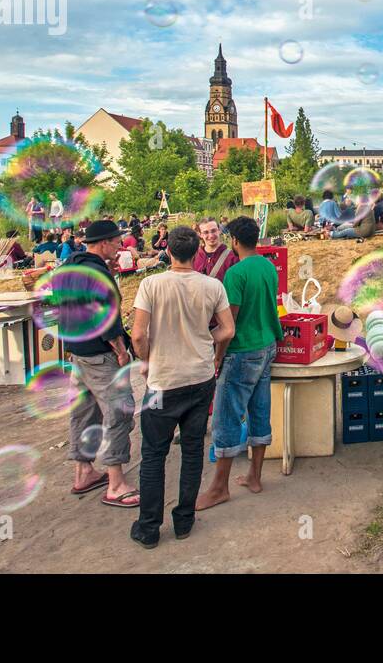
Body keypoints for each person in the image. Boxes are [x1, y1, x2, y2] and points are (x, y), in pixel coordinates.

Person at [128, 226, 235, 548]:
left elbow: (137, 335)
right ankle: (184, 520)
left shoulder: (151, 284)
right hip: (200, 380)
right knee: (192, 451)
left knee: (153, 455)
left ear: (169, 252)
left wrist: (148, 360)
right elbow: (227, 330)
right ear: (196, 249)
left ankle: (148, 527)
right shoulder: (212, 285)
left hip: (163, 383)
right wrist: (205, 342)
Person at [197, 216, 283, 508]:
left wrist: (218, 356)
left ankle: (219, 487)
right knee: (259, 412)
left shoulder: (236, 273)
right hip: (267, 346)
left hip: (242, 351)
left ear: (234, 240)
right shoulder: (268, 266)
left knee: (226, 418)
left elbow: (229, 323)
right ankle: (254, 476)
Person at [63, 219, 139, 509]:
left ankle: (83, 471)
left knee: (84, 412)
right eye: (117, 241)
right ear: (104, 243)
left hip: (78, 352)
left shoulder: (70, 266)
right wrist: (120, 349)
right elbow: (106, 318)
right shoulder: (98, 274)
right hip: (100, 353)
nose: (120, 246)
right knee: (119, 412)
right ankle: (116, 482)